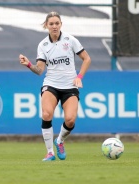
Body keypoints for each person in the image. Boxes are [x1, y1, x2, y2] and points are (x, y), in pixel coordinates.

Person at [19, 11, 91, 161]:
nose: (54, 26)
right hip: (51, 84)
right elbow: (39, 70)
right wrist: (29, 64)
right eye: (51, 24)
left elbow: (87, 59)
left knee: (70, 120)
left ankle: (59, 141)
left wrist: (79, 77)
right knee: (46, 114)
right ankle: (50, 152)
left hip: (70, 86)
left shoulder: (70, 40)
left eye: (57, 23)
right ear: (46, 26)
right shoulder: (43, 45)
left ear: (61, 25)